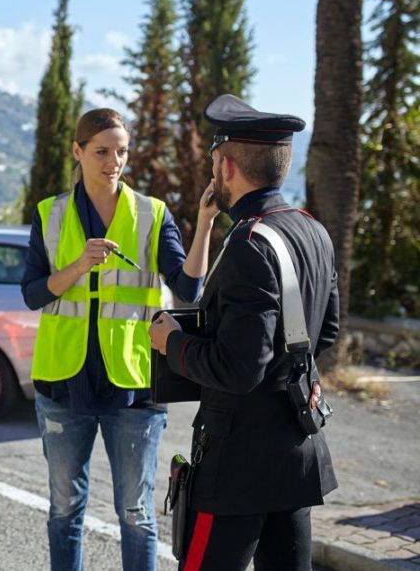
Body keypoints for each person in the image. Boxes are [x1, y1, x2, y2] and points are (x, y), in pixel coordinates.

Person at [22, 108, 219, 571]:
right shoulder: (49, 214)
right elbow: (32, 294)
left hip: (134, 386)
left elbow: (188, 288)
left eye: (121, 151)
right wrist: (78, 266)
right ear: (78, 151)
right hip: (61, 384)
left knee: (135, 514)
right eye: (102, 151)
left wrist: (206, 223)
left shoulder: (152, 214)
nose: (114, 162)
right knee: (64, 511)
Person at [149, 94, 338, 570]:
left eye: (215, 162)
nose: (213, 173)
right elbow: (326, 334)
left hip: (236, 466)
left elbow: (237, 369)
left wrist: (172, 342)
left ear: (228, 166)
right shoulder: (313, 230)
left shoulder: (248, 245)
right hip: (294, 451)